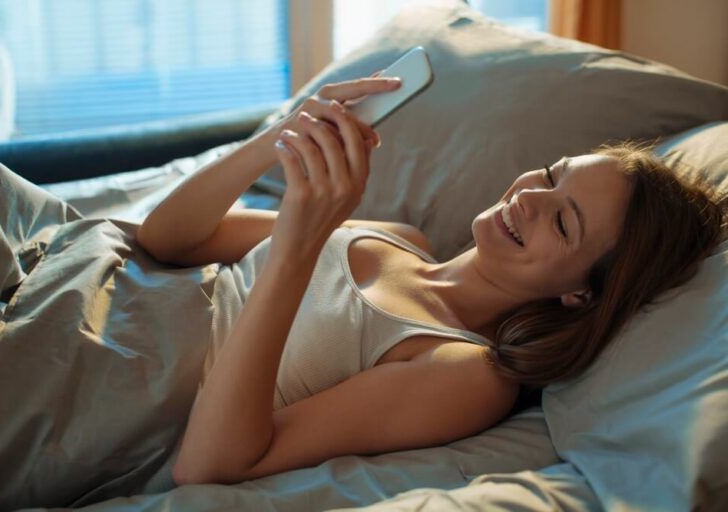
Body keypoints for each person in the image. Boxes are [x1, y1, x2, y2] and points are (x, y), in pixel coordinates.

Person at [136, 75, 726, 486]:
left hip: (118, 379)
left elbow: (210, 466)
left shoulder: (466, 372)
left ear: (581, 292)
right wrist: (284, 136)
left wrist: (297, 241)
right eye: (551, 175)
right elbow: (165, 239)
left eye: (563, 221)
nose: (529, 199)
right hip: (105, 290)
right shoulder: (398, 238)